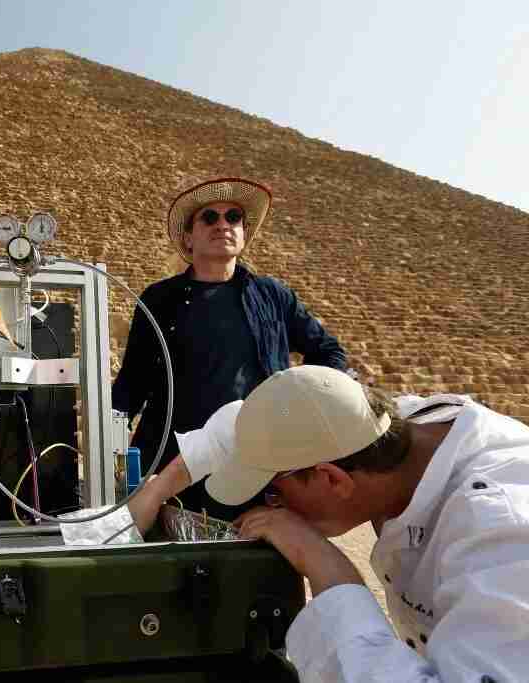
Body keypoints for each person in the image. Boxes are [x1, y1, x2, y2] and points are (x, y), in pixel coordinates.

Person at [129, 365, 529, 682]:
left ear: (331, 479)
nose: (272, 508)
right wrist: (157, 491)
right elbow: (257, 420)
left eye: (274, 494)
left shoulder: (501, 534)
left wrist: (324, 564)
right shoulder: (380, 427)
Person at [112, 177, 346, 518]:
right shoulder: (159, 299)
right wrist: (107, 449)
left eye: (233, 217)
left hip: (256, 465)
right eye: (209, 217)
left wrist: (304, 403)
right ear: (189, 237)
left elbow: (328, 352)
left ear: (244, 233)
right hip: (173, 466)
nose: (223, 224)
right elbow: (132, 383)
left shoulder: (273, 296)